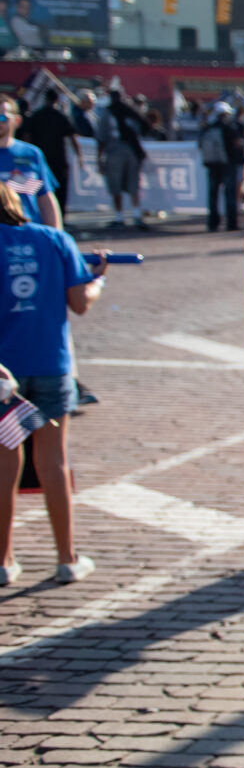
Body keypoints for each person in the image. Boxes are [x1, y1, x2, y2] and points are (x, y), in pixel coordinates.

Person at [0, 185, 104, 587]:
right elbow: (80, 301)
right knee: (54, 462)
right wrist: (99, 281)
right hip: (50, 365)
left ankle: (5, 560)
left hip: (5, 375)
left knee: (6, 464)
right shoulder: (54, 239)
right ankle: (67, 557)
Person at [0, 96, 63, 228]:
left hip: (28, 234)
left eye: (2, 118)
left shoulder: (31, 154)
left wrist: (56, 236)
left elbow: (45, 197)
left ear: (17, 121)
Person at [19, 91, 81, 211]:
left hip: (41, 158)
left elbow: (27, 136)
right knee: (58, 190)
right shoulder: (61, 115)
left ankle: (41, 214)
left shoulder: (37, 115)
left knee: (39, 188)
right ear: (57, 100)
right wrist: (79, 157)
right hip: (57, 159)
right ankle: (60, 215)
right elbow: (73, 137)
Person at [97, 88, 146, 227]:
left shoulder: (107, 113)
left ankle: (119, 216)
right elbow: (143, 126)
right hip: (132, 152)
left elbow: (101, 138)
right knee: (133, 184)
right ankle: (136, 214)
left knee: (115, 184)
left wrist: (99, 159)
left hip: (114, 151)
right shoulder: (129, 111)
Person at [198, 102, 244, 232]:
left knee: (213, 195)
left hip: (212, 165)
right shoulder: (230, 127)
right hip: (228, 165)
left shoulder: (208, 127)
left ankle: (212, 223)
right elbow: (237, 144)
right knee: (230, 194)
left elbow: (200, 145)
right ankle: (231, 223)